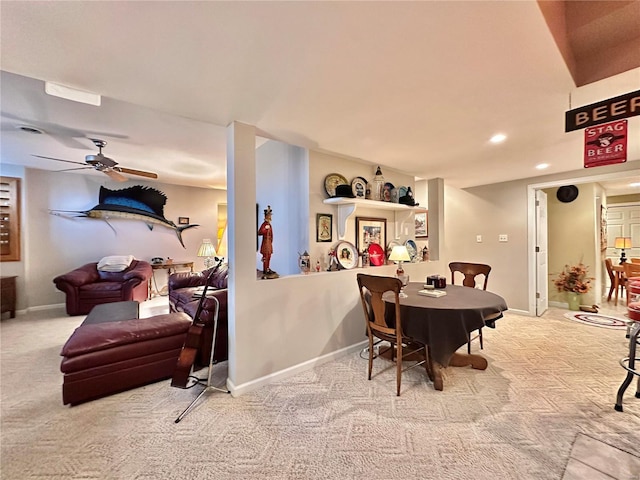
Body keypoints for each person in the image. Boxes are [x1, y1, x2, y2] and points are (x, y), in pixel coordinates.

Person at [258, 205, 278, 279]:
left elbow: (272, 235)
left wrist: (271, 242)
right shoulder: (264, 225)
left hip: (269, 243)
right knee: (265, 257)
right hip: (265, 243)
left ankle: (268, 268)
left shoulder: (269, 225)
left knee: (269, 256)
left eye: (270, 215)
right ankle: (265, 270)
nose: (270, 217)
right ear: (266, 216)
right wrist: (265, 230)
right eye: (269, 215)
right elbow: (259, 232)